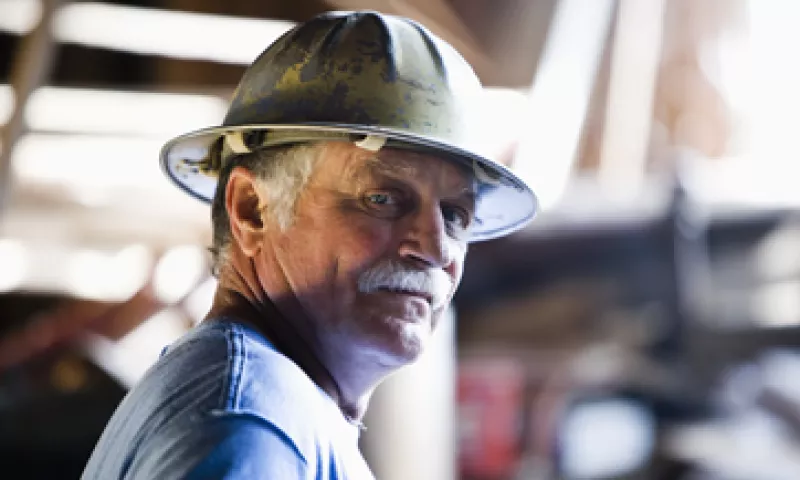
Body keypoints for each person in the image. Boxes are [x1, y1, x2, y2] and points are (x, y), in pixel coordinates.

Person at [81, 10, 537, 479]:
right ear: (251, 208)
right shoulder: (250, 427)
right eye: (382, 198)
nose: (437, 249)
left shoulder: (267, 409)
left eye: (455, 215)